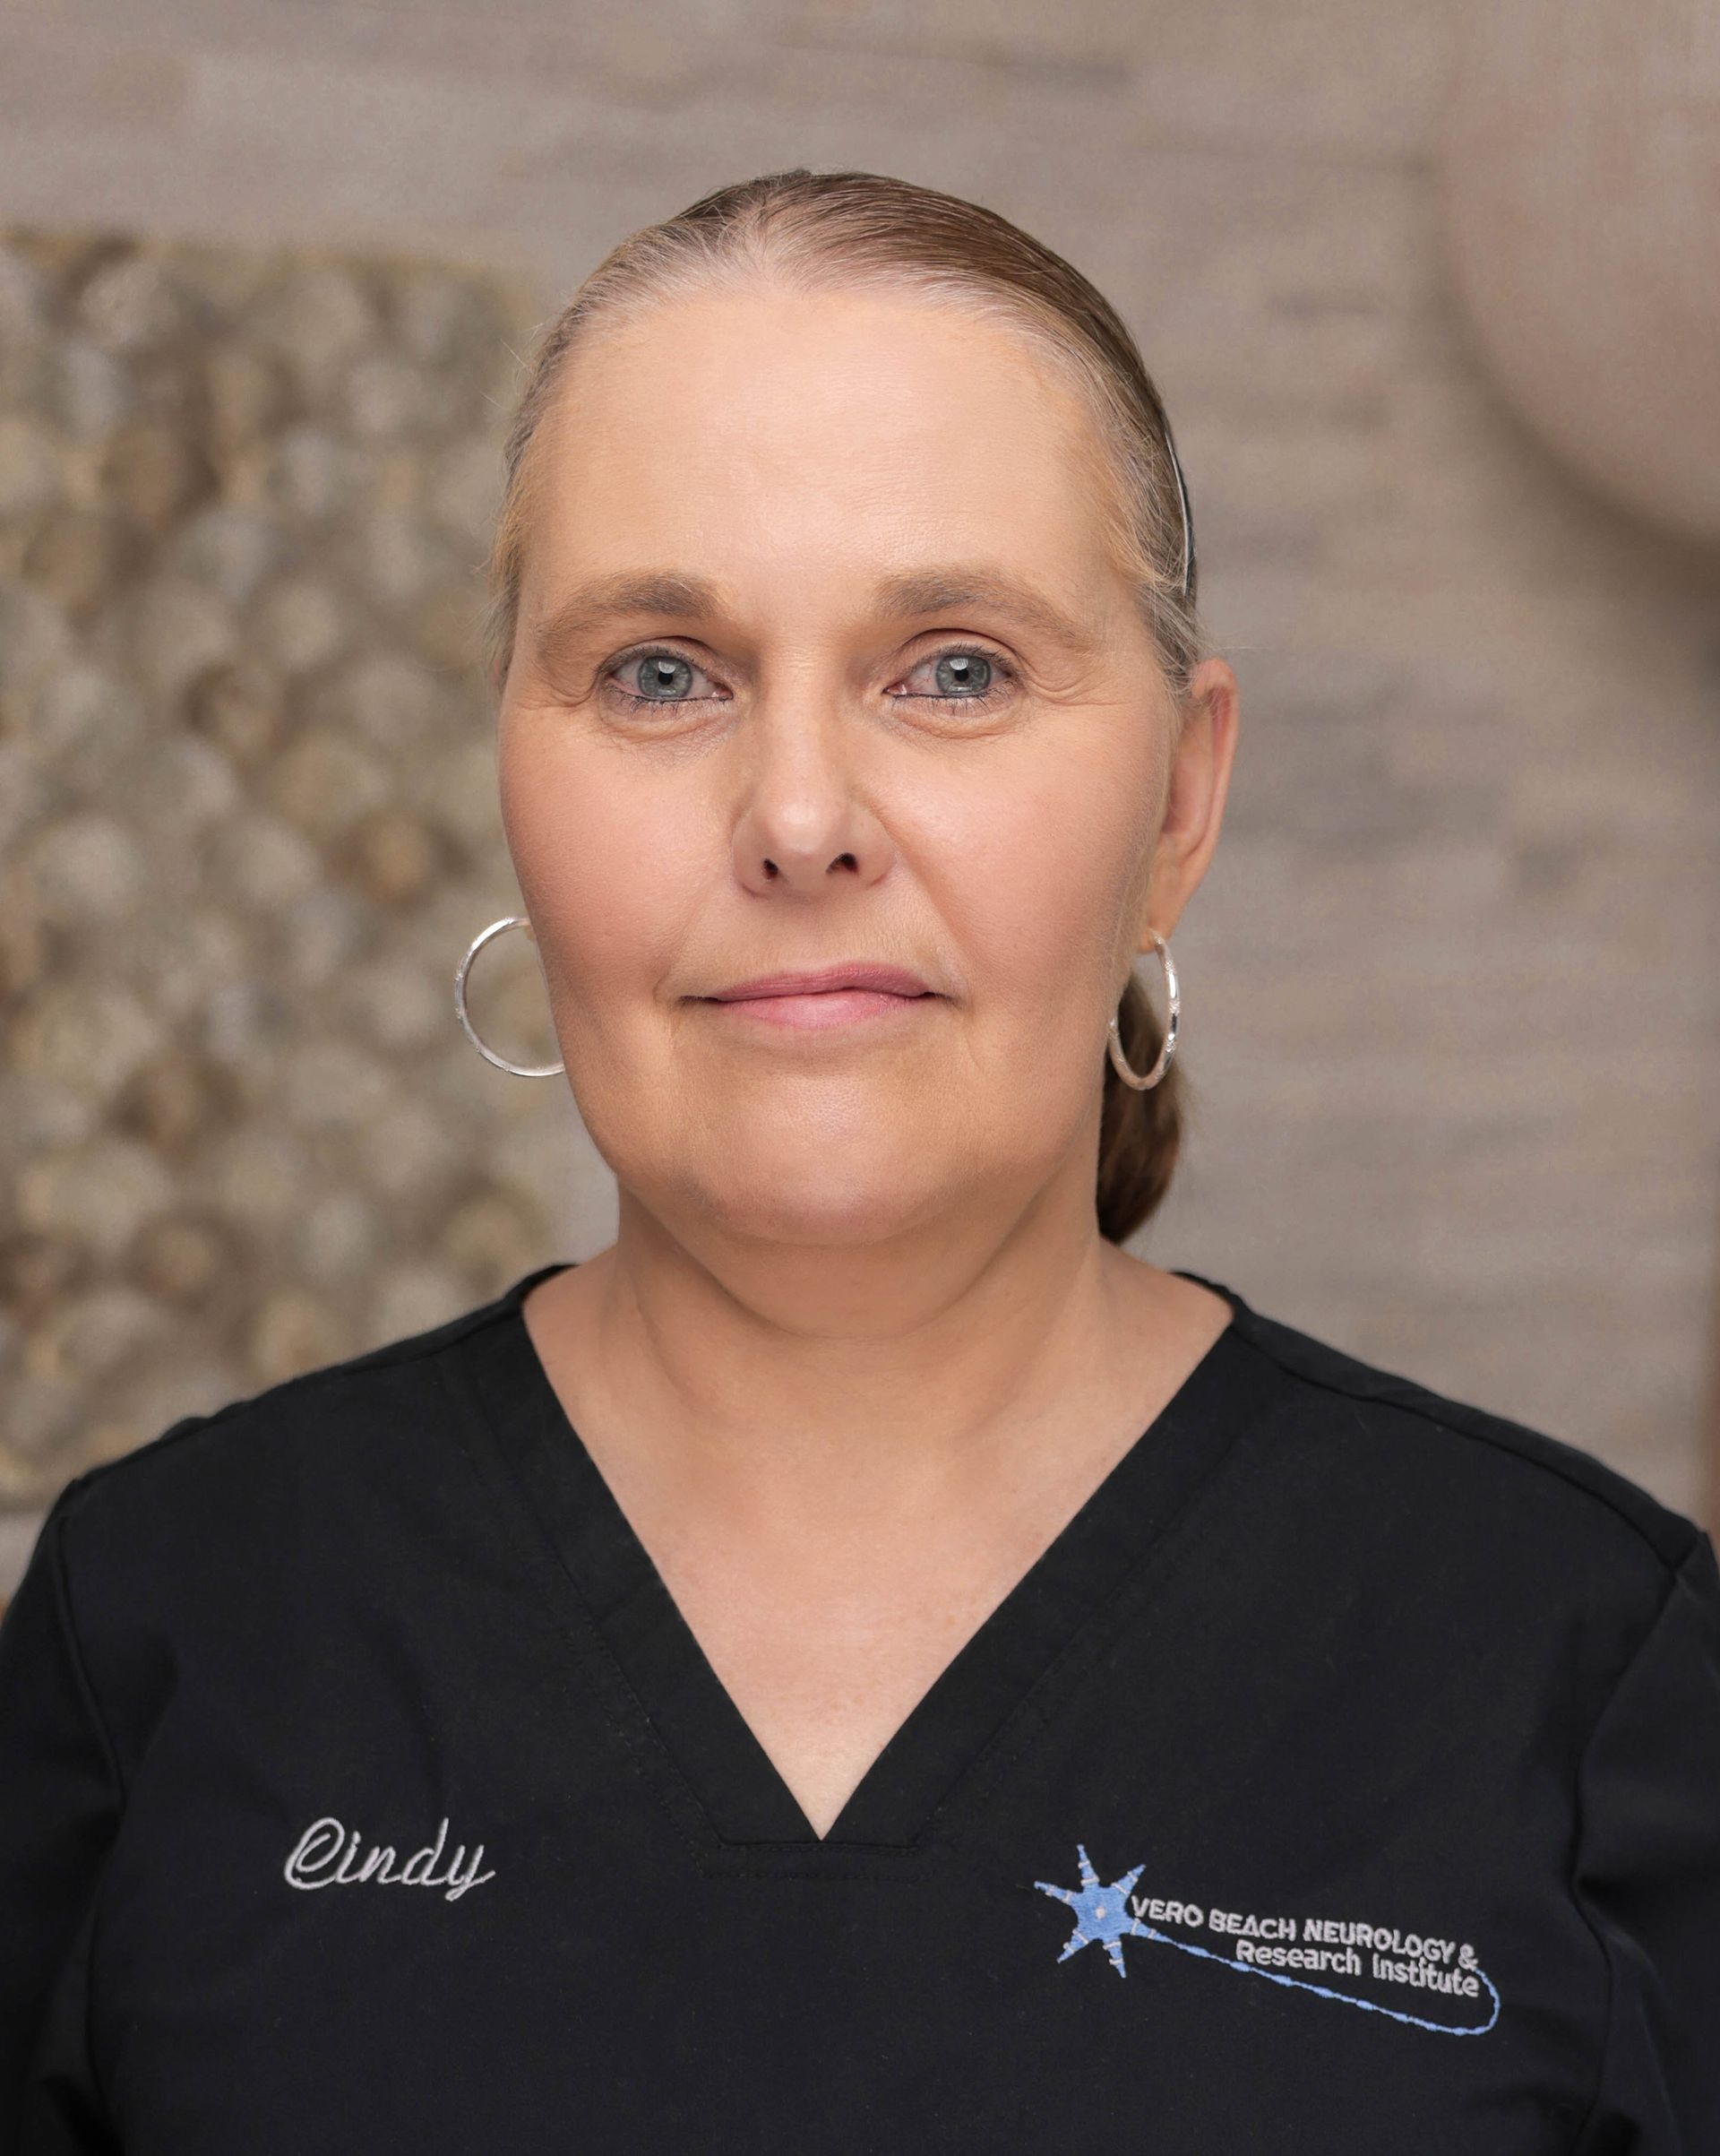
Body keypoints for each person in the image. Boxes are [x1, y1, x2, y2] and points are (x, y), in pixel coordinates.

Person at [2, 167, 1717, 2155]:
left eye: (955, 668)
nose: (800, 815)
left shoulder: (1579, 1665)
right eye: (662, 671)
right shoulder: (164, 1632)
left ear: (1179, 800)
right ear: (509, 776)